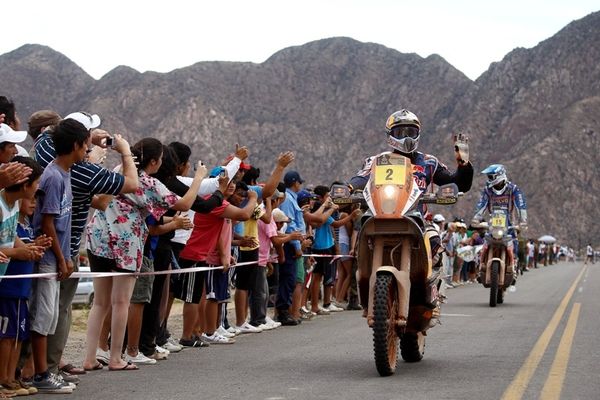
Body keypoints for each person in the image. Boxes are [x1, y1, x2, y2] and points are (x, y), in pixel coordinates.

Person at [349, 109, 473, 308]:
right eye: (400, 132)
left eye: (411, 131)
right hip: (381, 214)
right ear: (390, 135)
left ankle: (434, 292)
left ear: (418, 134)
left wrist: (464, 165)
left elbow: (457, 183)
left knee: (435, 242)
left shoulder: (429, 162)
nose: (406, 137)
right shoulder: (377, 160)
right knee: (361, 241)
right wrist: (349, 187)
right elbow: (362, 176)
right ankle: (360, 287)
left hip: (418, 218)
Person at [29, 119, 90, 392]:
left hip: (59, 255)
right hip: (47, 257)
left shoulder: (65, 173)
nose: (88, 149)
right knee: (42, 317)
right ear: (75, 145)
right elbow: (48, 223)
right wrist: (61, 257)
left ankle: (43, 371)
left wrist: (67, 256)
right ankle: (40, 374)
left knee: (51, 316)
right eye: (85, 144)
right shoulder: (53, 176)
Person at [473, 164, 527, 277]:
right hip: (493, 223)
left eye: (491, 177)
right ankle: (480, 265)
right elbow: (481, 205)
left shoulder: (513, 189)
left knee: (515, 241)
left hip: (509, 223)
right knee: (485, 241)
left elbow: (520, 205)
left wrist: (523, 221)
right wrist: (476, 219)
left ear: (499, 175)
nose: (489, 180)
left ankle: (514, 264)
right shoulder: (488, 190)